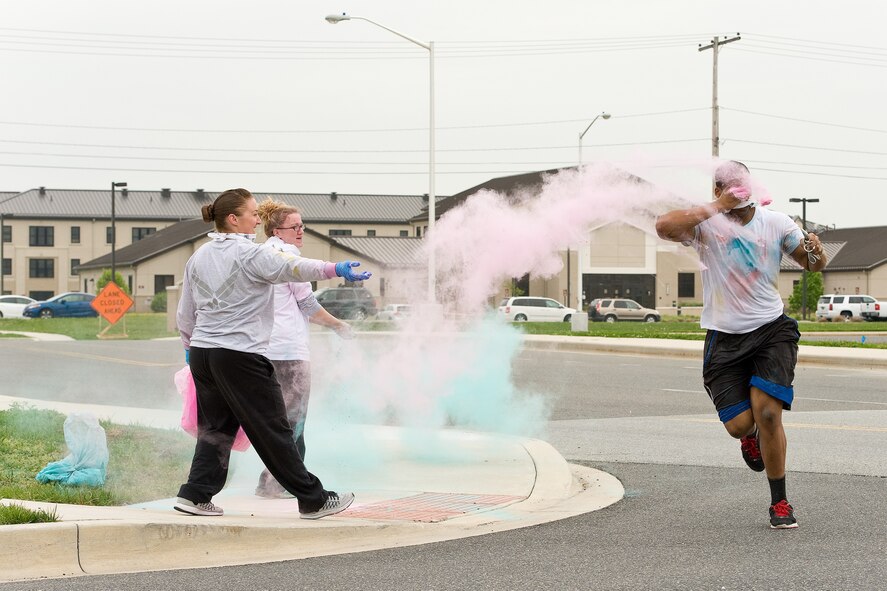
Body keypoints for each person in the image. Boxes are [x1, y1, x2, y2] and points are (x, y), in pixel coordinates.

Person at [175, 188, 371, 520]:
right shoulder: (249, 254)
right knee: (274, 428)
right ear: (234, 220)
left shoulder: (199, 257)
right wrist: (336, 268)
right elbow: (294, 268)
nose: (257, 218)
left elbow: (185, 313)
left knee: (217, 428)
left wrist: (189, 350)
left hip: (203, 353)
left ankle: (195, 494)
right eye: (252, 213)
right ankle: (314, 499)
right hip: (240, 355)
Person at [655, 161, 827, 529]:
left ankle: (779, 503)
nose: (733, 191)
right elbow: (664, 226)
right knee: (739, 424)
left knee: (768, 414)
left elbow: (812, 264)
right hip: (724, 334)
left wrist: (814, 250)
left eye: (738, 185)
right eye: (724, 187)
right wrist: (718, 207)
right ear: (717, 190)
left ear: (749, 186)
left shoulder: (776, 222)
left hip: (771, 330)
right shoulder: (704, 225)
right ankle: (747, 438)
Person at [254, 198, 353, 498]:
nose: (300, 231)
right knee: (293, 422)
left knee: (276, 420)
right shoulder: (288, 257)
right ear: (277, 231)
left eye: (302, 226)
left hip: (264, 350)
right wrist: (338, 325)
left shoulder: (259, 255)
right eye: (294, 226)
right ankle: (285, 484)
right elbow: (308, 304)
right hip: (290, 352)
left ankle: (268, 481)